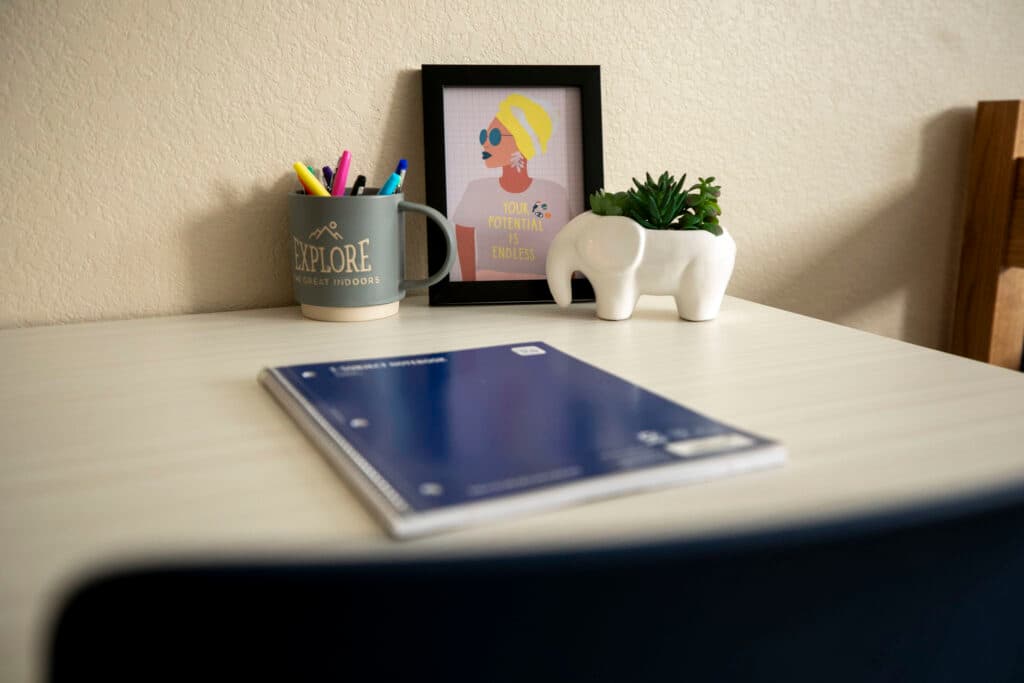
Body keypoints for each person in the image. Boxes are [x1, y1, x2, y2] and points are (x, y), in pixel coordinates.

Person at [451, 93, 570, 281]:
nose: (485, 143)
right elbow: (466, 266)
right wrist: (468, 291)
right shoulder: (477, 191)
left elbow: (568, 251)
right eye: (485, 135)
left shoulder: (554, 194)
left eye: (495, 136)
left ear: (522, 142)